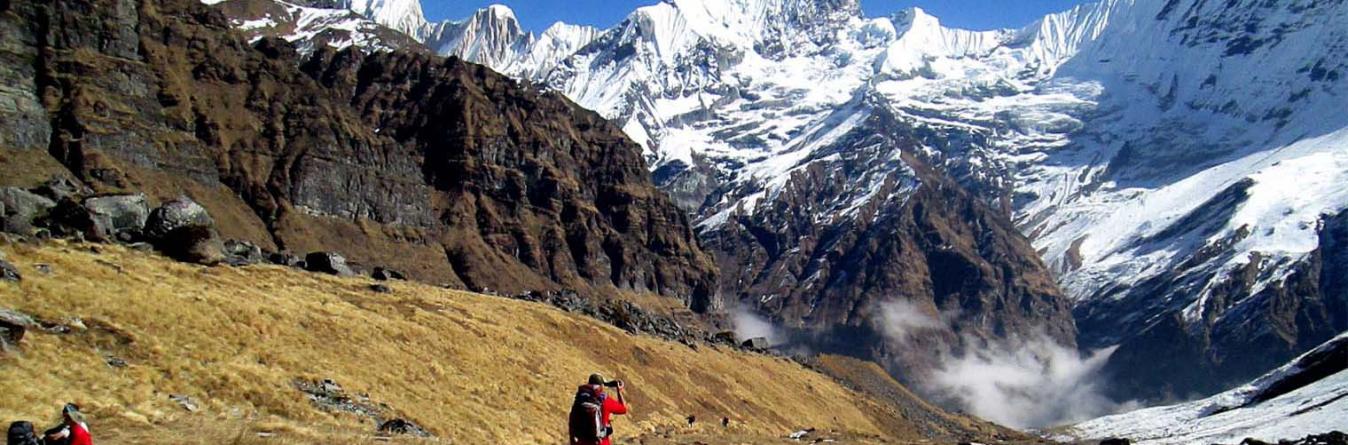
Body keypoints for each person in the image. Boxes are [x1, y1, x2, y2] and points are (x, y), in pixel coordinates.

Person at [569, 373, 629, 445]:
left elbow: (572, 420)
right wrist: (619, 391)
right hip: (601, 442)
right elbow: (623, 409)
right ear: (601, 386)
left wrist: (572, 440)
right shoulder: (605, 401)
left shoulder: (580, 399)